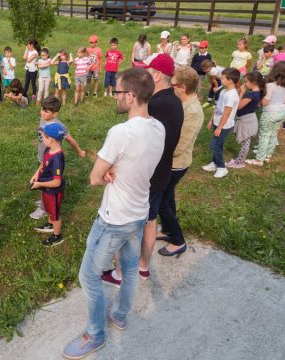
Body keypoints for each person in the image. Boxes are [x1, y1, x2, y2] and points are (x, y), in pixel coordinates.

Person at [62, 68, 165, 359]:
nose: (115, 96)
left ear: (131, 96)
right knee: (130, 267)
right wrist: (112, 170)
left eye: (118, 92)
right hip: (139, 212)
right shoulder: (158, 127)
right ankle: (119, 314)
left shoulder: (120, 132)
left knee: (88, 276)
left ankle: (95, 335)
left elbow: (95, 178)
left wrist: (105, 171)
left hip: (114, 218)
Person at [137, 53, 183, 280]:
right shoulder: (174, 100)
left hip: (149, 176)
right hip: (162, 171)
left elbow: (141, 142)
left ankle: (135, 264)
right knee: (151, 219)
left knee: (141, 222)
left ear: (156, 75)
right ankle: (143, 265)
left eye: (147, 71)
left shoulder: (156, 104)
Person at [156, 66, 204, 256]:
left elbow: (179, 147)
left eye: (173, 84)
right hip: (170, 162)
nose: (171, 87)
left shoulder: (192, 112)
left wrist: (155, 149)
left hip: (175, 165)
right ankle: (168, 231)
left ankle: (178, 240)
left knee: (160, 202)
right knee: (168, 198)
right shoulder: (181, 103)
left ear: (183, 88)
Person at [30, 96, 85, 219]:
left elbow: (70, 140)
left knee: (46, 182)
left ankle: (44, 208)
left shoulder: (59, 126)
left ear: (55, 114)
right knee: (41, 178)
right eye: (42, 109)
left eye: (46, 111)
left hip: (52, 160)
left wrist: (80, 151)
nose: (42, 113)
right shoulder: (43, 119)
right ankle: (43, 200)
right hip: (43, 157)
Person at [246, 62, 285, 166]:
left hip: (269, 113)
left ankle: (259, 160)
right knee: (273, 135)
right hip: (281, 113)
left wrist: (261, 101)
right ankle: (267, 156)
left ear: (275, 71)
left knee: (264, 136)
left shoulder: (270, 85)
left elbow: (265, 102)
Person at [31, 123, 67, 247]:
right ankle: (50, 223)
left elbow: (56, 182)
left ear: (50, 140)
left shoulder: (57, 159)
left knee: (55, 214)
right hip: (46, 188)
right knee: (49, 209)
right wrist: (37, 174)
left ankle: (57, 236)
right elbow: (43, 164)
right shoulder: (49, 149)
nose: (41, 139)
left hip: (54, 192)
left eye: (43, 137)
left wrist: (39, 183)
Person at [202, 67, 241, 178]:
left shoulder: (231, 95)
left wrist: (219, 127)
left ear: (230, 81)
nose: (221, 79)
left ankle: (221, 167)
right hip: (217, 122)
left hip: (224, 125)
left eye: (223, 78)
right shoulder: (224, 91)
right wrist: (211, 120)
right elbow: (217, 106)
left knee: (215, 145)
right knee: (219, 144)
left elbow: (227, 113)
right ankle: (214, 163)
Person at [227, 71, 264, 168]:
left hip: (246, 121)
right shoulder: (258, 92)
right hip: (249, 118)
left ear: (254, 82)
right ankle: (240, 160)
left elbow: (238, 106)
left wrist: (241, 93)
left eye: (246, 81)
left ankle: (239, 162)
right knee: (246, 141)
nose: (245, 83)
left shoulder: (250, 95)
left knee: (245, 142)